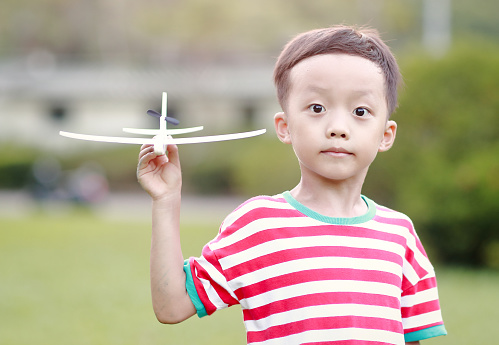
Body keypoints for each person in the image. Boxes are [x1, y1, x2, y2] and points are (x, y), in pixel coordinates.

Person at [137, 25, 447, 345]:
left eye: (360, 111)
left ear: (386, 134)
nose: (338, 127)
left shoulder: (401, 236)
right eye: (317, 108)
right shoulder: (258, 226)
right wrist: (166, 199)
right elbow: (171, 306)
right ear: (284, 127)